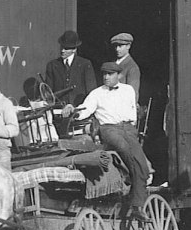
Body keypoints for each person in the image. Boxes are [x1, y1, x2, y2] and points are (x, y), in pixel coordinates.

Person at [62, 62, 154, 219]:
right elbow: (85, 110)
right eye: (104, 74)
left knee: (142, 165)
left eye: (110, 74)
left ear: (118, 75)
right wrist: (73, 111)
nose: (106, 77)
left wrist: (131, 127)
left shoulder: (128, 90)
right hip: (109, 129)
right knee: (124, 148)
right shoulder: (97, 93)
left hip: (128, 128)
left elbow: (132, 110)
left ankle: (137, 206)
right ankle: (131, 177)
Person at [44, 30, 96, 109]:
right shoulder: (52, 65)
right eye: (61, 47)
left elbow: (91, 92)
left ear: (74, 49)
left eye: (66, 48)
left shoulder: (85, 64)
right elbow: (49, 92)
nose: (62, 51)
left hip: (79, 110)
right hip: (58, 110)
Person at [110, 32, 141, 103]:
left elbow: (132, 94)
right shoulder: (113, 63)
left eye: (120, 46)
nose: (117, 49)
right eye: (115, 46)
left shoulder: (132, 67)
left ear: (128, 46)